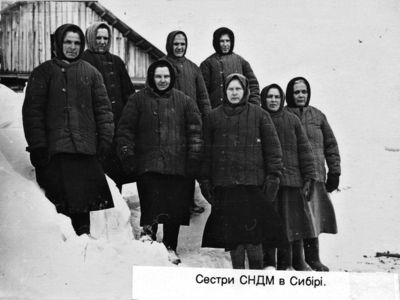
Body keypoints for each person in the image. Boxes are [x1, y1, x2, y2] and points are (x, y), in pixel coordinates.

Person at [22, 24, 115, 236]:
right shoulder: (43, 72)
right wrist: (38, 146)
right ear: (58, 44)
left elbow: (104, 111)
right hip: (56, 153)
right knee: (60, 209)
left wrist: (104, 142)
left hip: (85, 152)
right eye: (67, 42)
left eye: (76, 43)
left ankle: (83, 251)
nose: (72, 47)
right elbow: (33, 114)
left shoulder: (91, 74)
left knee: (83, 209)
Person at [116, 60, 203, 264]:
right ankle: (148, 240)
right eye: (158, 76)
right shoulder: (138, 100)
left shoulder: (185, 101)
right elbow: (125, 130)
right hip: (149, 164)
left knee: (174, 208)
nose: (162, 80)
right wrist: (127, 154)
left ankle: (171, 247)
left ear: (171, 78)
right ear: (151, 78)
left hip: (177, 165)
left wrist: (193, 159)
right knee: (151, 203)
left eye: (166, 76)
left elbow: (195, 133)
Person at [200, 73, 287, 270]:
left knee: (253, 238)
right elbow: (206, 154)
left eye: (238, 89)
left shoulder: (259, 115)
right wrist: (205, 182)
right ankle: (237, 277)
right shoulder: (213, 117)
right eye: (230, 89)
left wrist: (273, 180)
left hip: (253, 189)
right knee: (234, 238)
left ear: (245, 91)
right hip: (226, 188)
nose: (234, 92)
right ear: (225, 91)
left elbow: (274, 151)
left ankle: (255, 277)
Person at [285, 77, 341, 271]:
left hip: (315, 176)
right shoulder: (283, 114)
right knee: (295, 218)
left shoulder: (318, 116)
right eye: (296, 92)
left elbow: (330, 145)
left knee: (312, 217)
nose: (300, 95)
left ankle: (313, 258)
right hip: (293, 178)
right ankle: (297, 260)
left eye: (304, 92)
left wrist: (334, 171)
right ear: (290, 94)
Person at [261, 84, 317, 271]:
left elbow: (305, 150)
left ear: (282, 98)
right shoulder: (260, 118)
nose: (273, 100)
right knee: (269, 224)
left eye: (277, 97)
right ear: (264, 99)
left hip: (292, 182)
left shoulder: (292, 120)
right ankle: (269, 262)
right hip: (268, 183)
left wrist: (309, 176)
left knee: (292, 225)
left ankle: (288, 263)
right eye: (270, 96)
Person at [161, 30, 212, 214]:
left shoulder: (193, 68)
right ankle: (170, 202)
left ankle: (189, 201)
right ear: (170, 45)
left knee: (190, 162)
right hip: (170, 123)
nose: (179, 47)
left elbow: (203, 97)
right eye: (176, 44)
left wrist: (206, 120)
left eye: (182, 44)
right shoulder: (162, 65)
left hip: (191, 123)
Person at [82, 22, 136, 192]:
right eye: (98, 37)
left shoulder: (117, 62)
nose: (102, 41)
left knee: (117, 169)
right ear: (90, 38)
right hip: (96, 128)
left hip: (118, 125)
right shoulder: (83, 61)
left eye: (106, 38)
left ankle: (117, 210)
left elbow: (129, 94)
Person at [200, 27, 260, 108]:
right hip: (217, 112)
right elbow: (203, 93)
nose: (225, 45)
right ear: (216, 42)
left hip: (240, 111)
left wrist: (253, 108)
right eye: (221, 41)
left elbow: (254, 85)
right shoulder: (207, 64)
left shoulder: (241, 61)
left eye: (227, 41)